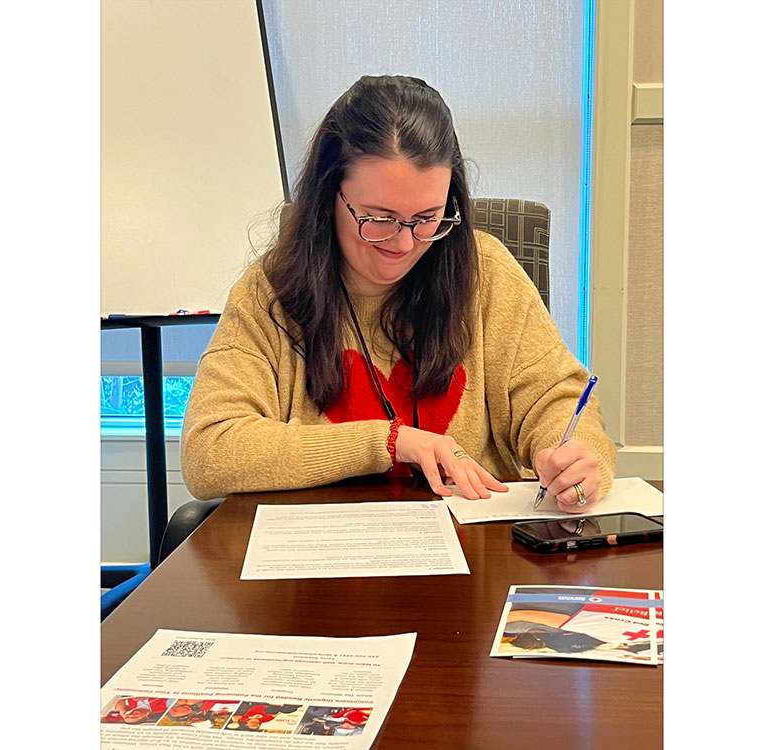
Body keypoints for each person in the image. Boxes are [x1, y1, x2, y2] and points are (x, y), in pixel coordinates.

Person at [181, 75, 615, 511]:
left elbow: (554, 399)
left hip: (474, 555)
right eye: (379, 218)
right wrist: (389, 441)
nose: (405, 244)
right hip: (322, 558)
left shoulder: (486, 274)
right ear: (329, 196)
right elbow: (209, 450)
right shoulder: (269, 293)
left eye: (428, 217)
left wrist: (573, 455)